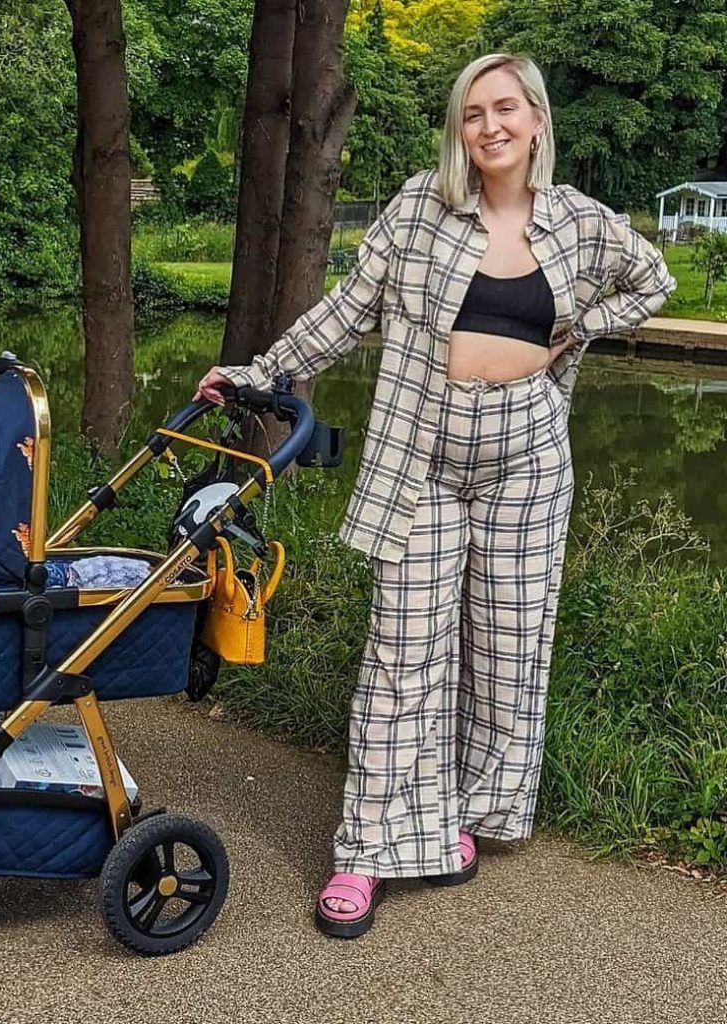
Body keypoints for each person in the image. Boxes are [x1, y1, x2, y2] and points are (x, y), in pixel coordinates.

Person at [195, 52, 675, 939]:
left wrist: (576, 330)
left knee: (507, 646)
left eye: (505, 108)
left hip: (528, 462)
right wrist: (261, 371)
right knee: (403, 653)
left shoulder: (579, 222)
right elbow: (348, 309)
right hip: (421, 460)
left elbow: (655, 281)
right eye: (472, 112)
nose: (490, 126)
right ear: (460, 129)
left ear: (536, 119)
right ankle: (368, 850)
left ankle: (462, 812)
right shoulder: (422, 206)